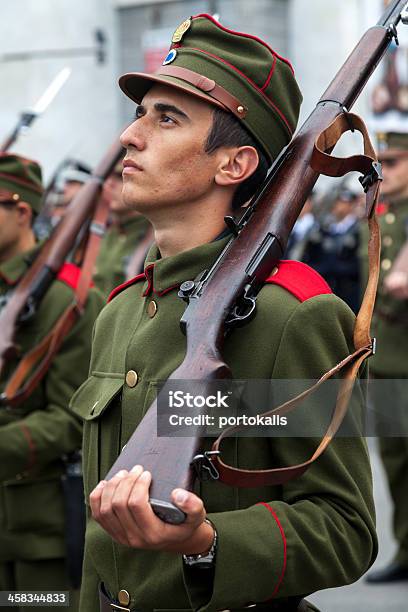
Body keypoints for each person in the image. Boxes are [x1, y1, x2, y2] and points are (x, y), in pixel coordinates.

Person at [71, 15, 377, 611]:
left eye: (167, 119)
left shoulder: (296, 316)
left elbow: (346, 528)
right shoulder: (119, 313)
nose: (130, 137)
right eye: (141, 114)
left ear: (233, 166)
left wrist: (208, 543)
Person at [0, 154, 104, 610]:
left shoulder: (65, 299)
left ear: (21, 212)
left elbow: (72, 414)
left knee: (37, 604)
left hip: (35, 531)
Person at [364, 131, 408, 584]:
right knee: (395, 462)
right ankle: (406, 547)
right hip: (389, 359)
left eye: (394, 162)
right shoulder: (384, 216)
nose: (386, 172)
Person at [93, 161, 152, 297]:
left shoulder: (156, 237)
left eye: (120, 176)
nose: (109, 184)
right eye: (107, 177)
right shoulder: (101, 232)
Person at [302, 190, 361, 313]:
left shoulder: (358, 230)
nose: (338, 206)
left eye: (343, 203)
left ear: (351, 205)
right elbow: (311, 253)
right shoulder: (325, 226)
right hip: (321, 286)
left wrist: (332, 267)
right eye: (338, 202)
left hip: (345, 291)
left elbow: (358, 264)